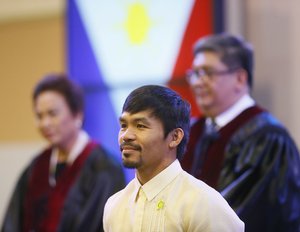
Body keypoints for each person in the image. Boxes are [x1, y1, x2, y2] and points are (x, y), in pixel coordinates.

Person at [180, 33, 300, 231]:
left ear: (239, 78)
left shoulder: (267, 138)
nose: (197, 82)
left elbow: (240, 215)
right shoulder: (190, 131)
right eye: (194, 73)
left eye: (207, 73)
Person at [103, 85, 244, 232]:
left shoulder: (204, 204)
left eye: (140, 126)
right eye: (124, 125)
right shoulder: (114, 206)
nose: (126, 135)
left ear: (175, 137)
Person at [1, 74, 125, 232]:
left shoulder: (104, 167)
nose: (45, 123)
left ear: (77, 114)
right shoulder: (36, 166)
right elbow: (12, 223)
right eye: (39, 116)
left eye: (52, 114)